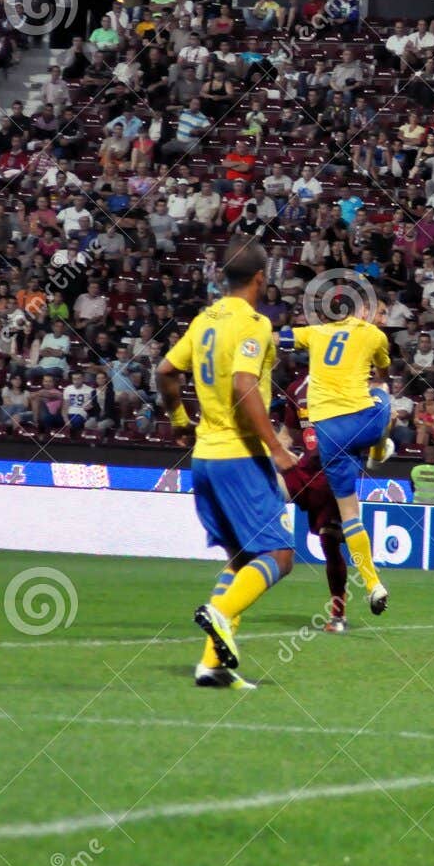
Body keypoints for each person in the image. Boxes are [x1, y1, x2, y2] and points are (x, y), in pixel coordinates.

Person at [157, 239, 297, 688]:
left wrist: (180, 419)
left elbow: (165, 371)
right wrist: (276, 447)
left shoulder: (204, 319)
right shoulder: (254, 323)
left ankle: (210, 665)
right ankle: (219, 613)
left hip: (204, 457)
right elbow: (243, 383)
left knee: (240, 559)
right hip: (240, 456)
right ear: (261, 279)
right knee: (279, 554)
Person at [277, 291, 395, 618]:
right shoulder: (373, 335)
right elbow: (385, 374)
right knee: (384, 397)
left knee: (339, 532)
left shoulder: (315, 334)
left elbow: (279, 337)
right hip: (347, 434)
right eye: (381, 313)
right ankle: (379, 449)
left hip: (329, 441)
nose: (384, 320)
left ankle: (359, 595)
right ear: (364, 311)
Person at [281, 443, 353, 634]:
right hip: (304, 469)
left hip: (331, 472)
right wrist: (282, 449)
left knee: (329, 540)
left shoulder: (338, 415)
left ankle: (338, 615)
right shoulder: (296, 411)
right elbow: (287, 434)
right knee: (265, 488)